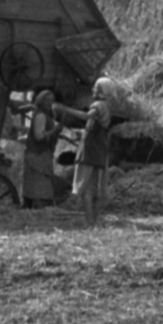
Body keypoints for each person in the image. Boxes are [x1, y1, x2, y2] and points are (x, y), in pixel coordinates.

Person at [63, 78, 116, 228]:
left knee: (87, 188)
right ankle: (93, 221)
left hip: (91, 150)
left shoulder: (98, 105)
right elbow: (93, 126)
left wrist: (64, 109)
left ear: (102, 91)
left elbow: (87, 116)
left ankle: (90, 222)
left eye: (95, 88)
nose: (93, 91)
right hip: (98, 148)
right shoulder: (107, 106)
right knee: (96, 189)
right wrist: (83, 132)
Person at [20, 90, 61, 209]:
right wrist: (55, 130)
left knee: (34, 184)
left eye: (51, 100)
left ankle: (30, 208)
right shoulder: (41, 116)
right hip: (37, 155)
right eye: (47, 100)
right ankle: (37, 208)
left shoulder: (44, 115)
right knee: (39, 185)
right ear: (41, 101)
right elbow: (39, 136)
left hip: (37, 153)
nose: (49, 102)